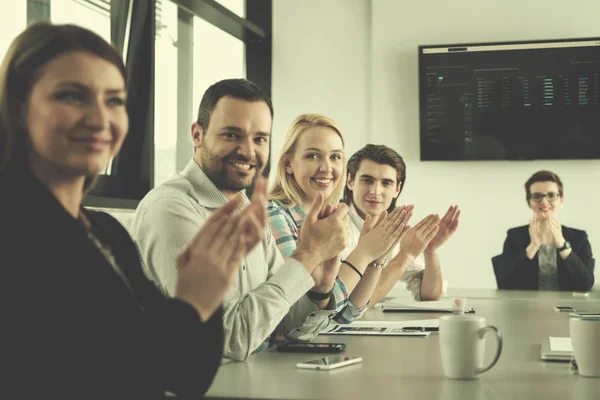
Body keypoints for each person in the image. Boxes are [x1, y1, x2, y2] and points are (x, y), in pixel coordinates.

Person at [0, 23, 265, 399]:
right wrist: (193, 300)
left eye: (114, 101)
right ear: (18, 106)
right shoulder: (13, 230)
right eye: (73, 96)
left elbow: (182, 374)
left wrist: (205, 291)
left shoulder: (106, 232)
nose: (99, 118)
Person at [130, 79, 349, 362]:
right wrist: (307, 256)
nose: (248, 151)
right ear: (197, 135)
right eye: (232, 135)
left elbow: (286, 329)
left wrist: (318, 291)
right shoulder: (171, 210)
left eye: (259, 139)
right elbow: (229, 340)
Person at [268, 115, 411, 323]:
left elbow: (347, 313)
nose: (327, 168)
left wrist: (376, 260)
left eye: (335, 157)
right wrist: (363, 253)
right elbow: (302, 314)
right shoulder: (273, 216)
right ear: (288, 163)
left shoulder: (330, 218)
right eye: (313, 156)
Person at [343, 144, 460, 304]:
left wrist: (429, 249)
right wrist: (405, 256)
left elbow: (430, 295)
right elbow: (351, 304)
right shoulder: (335, 224)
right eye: (367, 180)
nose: (375, 191)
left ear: (397, 189)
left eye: (386, 183)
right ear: (350, 180)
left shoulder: (393, 228)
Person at [495, 171, 594, 291]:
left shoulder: (579, 237)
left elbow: (586, 285)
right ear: (529, 202)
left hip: (567, 307)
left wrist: (562, 246)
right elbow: (506, 284)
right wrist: (533, 246)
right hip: (525, 307)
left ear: (561, 200)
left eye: (551, 195)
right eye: (537, 196)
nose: (544, 201)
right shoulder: (514, 236)